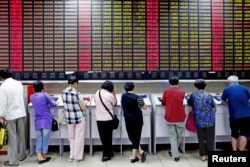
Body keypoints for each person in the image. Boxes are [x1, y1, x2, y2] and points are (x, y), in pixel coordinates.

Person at [0, 68, 27, 166]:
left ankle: (13, 161)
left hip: (10, 115)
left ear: (1, 77)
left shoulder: (3, 87)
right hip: (21, 113)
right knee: (21, 136)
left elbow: (3, 103)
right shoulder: (18, 84)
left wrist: (1, 116)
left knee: (12, 139)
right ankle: (22, 156)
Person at [187, 79, 216, 161]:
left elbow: (189, 103)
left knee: (201, 138)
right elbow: (213, 106)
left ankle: (203, 155)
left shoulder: (193, 95)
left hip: (199, 119)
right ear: (205, 86)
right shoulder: (209, 95)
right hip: (210, 120)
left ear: (196, 86)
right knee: (210, 138)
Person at [30, 81, 57, 164]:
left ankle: (39, 155)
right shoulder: (45, 95)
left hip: (37, 121)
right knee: (45, 139)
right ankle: (44, 155)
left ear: (34, 88)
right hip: (46, 120)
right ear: (42, 88)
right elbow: (53, 104)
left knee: (39, 139)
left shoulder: (32, 97)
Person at [62, 75, 87, 162]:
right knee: (79, 137)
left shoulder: (63, 92)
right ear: (75, 83)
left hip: (69, 118)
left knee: (71, 137)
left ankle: (71, 155)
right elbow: (83, 107)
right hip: (79, 118)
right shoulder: (77, 93)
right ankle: (77, 157)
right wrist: (85, 103)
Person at [221, 75, 250, 151]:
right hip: (247, 115)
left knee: (234, 134)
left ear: (229, 82)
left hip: (235, 115)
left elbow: (223, 101)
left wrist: (229, 103)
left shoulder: (227, 89)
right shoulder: (245, 88)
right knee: (244, 134)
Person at [121, 82, 147, 163]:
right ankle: (135, 156)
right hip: (137, 120)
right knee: (136, 137)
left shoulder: (123, 96)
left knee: (132, 136)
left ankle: (137, 154)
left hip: (128, 120)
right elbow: (144, 107)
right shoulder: (137, 97)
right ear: (133, 88)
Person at [161, 75, 185, 162]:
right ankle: (174, 152)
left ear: (169, 83)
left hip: (170, 117)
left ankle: (175, 154)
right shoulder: (182, 92)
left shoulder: (166, 91)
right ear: (178, 83)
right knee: (178, 136)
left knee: (173, 137)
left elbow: (163, 103)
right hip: (180, 117)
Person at [94, 80, 117, 162]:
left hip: (99, 119)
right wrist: (114, 93)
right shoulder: (110, 95)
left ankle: (107, 153)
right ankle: (107, 154)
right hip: (108, 119)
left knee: (103, 138)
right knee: (108, 137)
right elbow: (114, 103)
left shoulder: (97, 93)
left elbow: (95, 101)